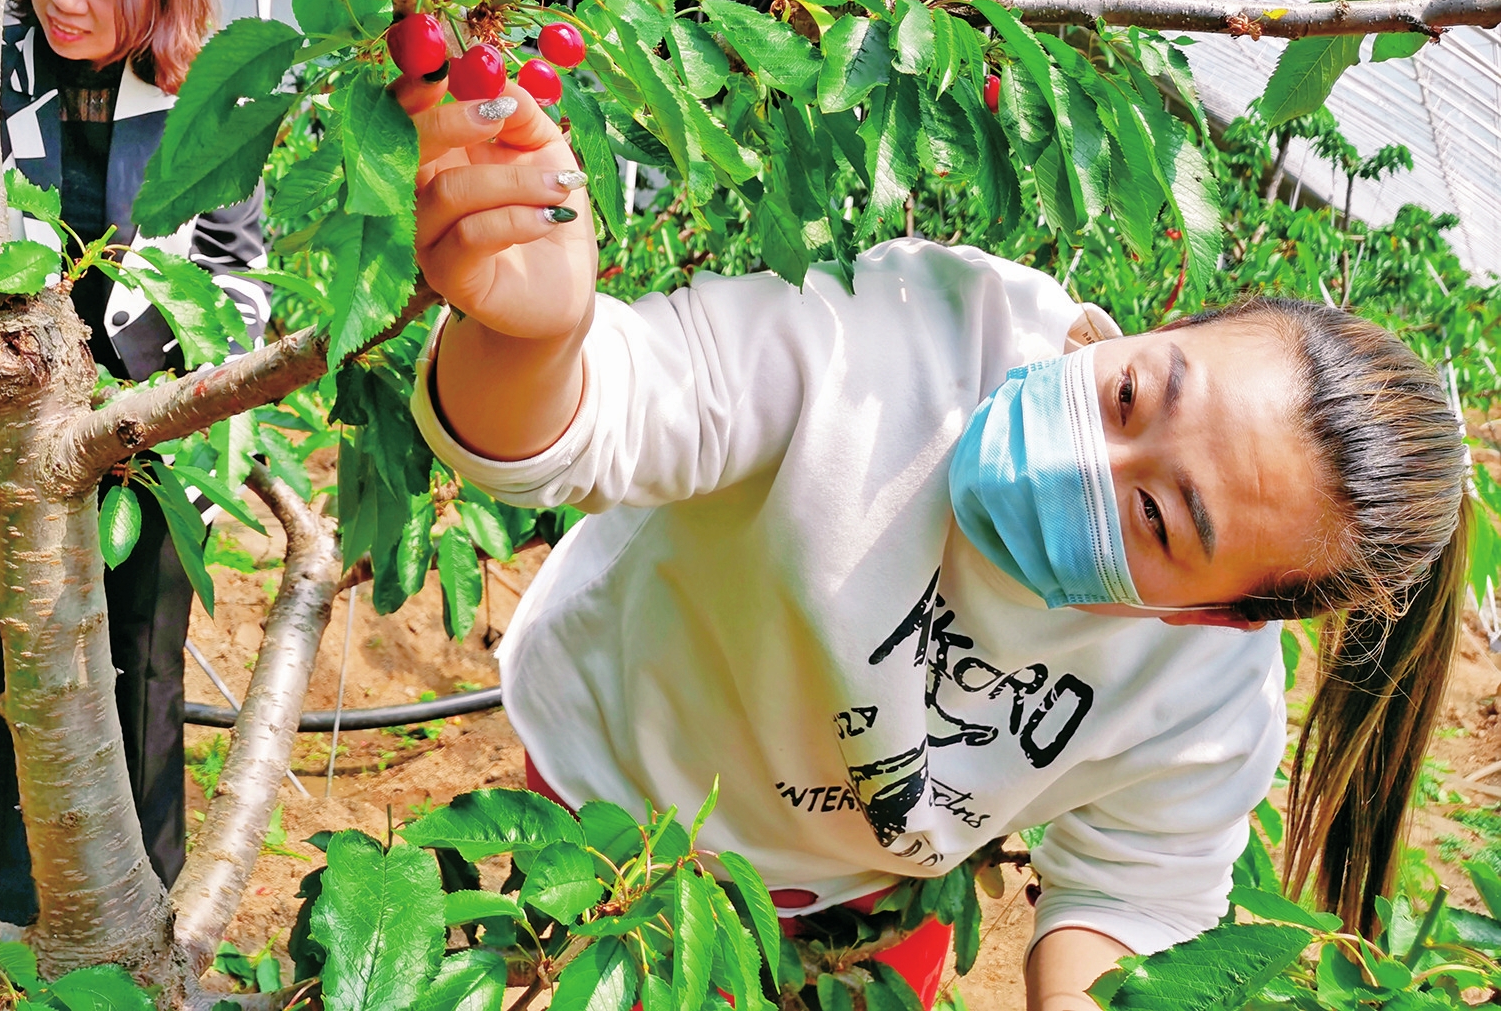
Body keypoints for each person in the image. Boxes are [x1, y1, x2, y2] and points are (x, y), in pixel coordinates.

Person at [392, 79, 1470, 1011]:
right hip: (609, 772)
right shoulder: (907, 337)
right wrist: (535, 339)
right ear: (1134, 331)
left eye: (1154, 518)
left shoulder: (1200, 702)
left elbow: (1132, 894)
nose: (1086, 461)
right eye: (1130, 393)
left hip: (857, 895)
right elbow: (602, 416)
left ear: (1212, 617)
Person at [0, 0, 270, 922]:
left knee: (141, 679)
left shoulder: (210, 96)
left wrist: (162, 394)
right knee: (10, 662)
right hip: (10, 420)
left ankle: (141, 925)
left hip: (149, 436)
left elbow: (240, 276)